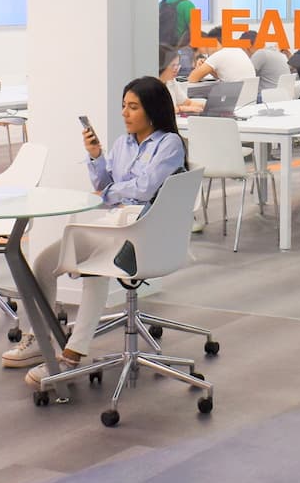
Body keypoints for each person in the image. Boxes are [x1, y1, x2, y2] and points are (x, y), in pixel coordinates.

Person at [15, 79, 188, 387]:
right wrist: (96, 156)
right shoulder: (123, 144)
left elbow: (144, 189)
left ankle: (71, 355)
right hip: (115, 223)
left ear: (153, 110)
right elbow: (105, 186)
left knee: (94, 268)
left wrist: (110, 192)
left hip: (145, 230)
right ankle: (40, 338)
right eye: (124, 106)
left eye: (133, 107)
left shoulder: (169, 144)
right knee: (43, 263)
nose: (125, 113)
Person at [158, 0, 197, 74]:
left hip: (161, 50)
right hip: (180, 51)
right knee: (183, 78)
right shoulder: (188, 5)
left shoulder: (161, 4)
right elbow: (195, 32)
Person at [240, 31, 289, 95]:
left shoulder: (261, 54)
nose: (243, 53)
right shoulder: (276, 52)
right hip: (282, 95)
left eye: (242, 49)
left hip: (268, 97)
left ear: (247, 47)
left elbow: (245, 76)